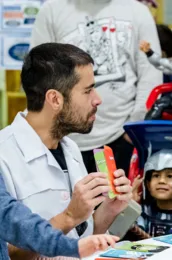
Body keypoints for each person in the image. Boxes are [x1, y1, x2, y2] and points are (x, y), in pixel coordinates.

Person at [0, 43, 132, 259]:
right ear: (55, 99)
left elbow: (80, 241)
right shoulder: (4, 155)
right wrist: (69, 216)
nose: (97, 99)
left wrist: (109, 209)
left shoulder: (70, 148)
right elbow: (8, 254)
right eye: (88, 90)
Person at [31, 0, 162, 175]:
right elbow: (39, 76)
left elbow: (151, 74)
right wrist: (50, 133)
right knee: (69, 202)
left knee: (116, 202)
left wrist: (134, 129)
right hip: (63, 140)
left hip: (119, 138)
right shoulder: (51, 10)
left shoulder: (137, 11)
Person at [0, 173, 119, 260]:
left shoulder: (71, 148)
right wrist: (69, 221)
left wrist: (109, 209)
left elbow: (87, 235)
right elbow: (11, 223)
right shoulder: (7, 155)